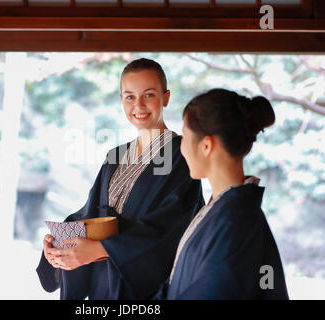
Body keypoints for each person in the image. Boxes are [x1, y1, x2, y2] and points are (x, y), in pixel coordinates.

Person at [36, 58, 204, 300]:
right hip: (102, 284)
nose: (139, 105)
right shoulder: (115, 156)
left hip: (144, 290)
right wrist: (59, 245)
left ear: (165, 97)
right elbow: (90, 214)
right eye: (129, 97)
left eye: (148, 95)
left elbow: (169, 229)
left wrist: (99, 249)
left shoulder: (181, 155)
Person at [155, 88, 289, 300]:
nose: (181, 148)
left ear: (207, 145)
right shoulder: (226, 209)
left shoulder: (236, 220)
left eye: (186, 137)